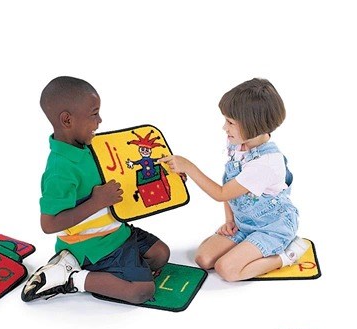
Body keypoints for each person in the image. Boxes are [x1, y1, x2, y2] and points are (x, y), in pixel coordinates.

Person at [21, 76, 170, 304]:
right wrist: (96, 202)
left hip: (117, 233)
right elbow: (48, 224)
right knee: (141, 291)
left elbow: (126, 175)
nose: (99, 121)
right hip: (91, 246)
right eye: (94, 114)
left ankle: (93, 270)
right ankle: (71, 278)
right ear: (67, 120)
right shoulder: (60, 169)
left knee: (161, 254)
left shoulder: (93, 147)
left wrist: (168, 176)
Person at [158, 78, 308, 282]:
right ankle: (247, 246)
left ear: (252, 125)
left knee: (227, 270)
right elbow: (229, 183)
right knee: (203, 258)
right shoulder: (239, 143)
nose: (224, 128)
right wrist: (229, 220)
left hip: (272, 227)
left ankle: (286, 255)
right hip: (244, 223)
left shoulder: (265, 164)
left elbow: (222, 193)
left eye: (230, 123)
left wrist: (189, 167)